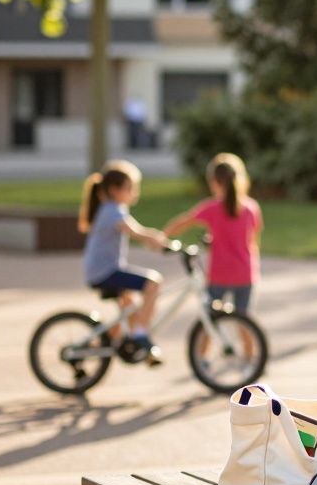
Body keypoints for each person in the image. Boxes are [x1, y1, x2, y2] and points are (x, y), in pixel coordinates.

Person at [78, 159, 170, 365]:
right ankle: (141, 336)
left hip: (105, 270)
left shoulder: (112, 209)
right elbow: (135, 231)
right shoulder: (113, 210)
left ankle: (115, 340)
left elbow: (136, 231)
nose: (134, 192)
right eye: (130, 188)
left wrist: (155, 240)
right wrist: (160, 241)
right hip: (105, 272)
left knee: (129, 306)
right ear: (114, 190)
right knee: (153, 282)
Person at [163, 153, 264, 314]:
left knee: (209, 322)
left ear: (214, 182)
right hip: (245, 273)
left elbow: (183, 222)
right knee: (246, 324)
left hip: (219, 273)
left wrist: (162, 236)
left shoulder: (212, 207)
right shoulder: (251, 208)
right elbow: (253, 241)